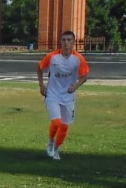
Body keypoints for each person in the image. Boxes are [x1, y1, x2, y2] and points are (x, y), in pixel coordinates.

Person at [37, 30, 90, 160]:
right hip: (53, 95)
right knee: (56, 122)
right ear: (60, 42)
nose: (66, 43)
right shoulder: (52, 57)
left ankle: (56, 148)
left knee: (65, 126)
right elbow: (39, 68)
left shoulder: (78, 59)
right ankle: (50, 141)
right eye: (64, 40)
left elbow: (84, 76)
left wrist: (75, 86)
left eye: (69, 40)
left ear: (73, 42)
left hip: (68, 97)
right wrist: (42, 85)